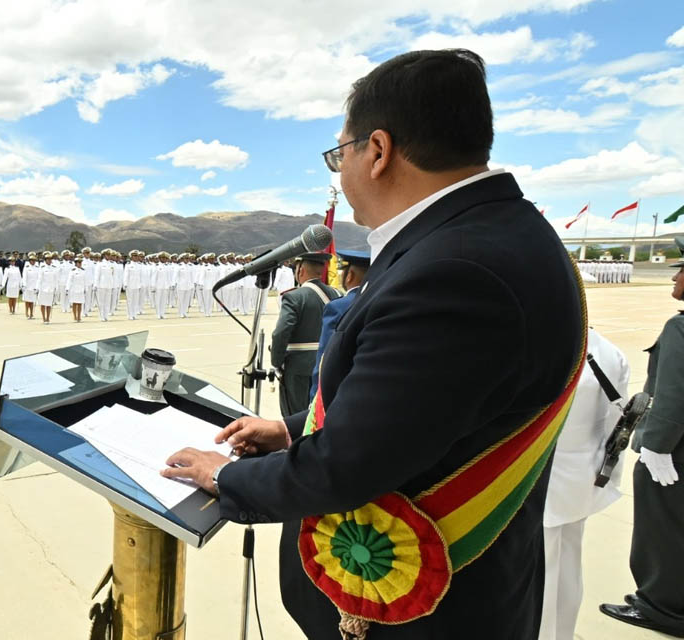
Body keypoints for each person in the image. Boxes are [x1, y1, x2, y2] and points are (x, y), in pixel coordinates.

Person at [162, 49, 583, 639]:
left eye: (340, 153)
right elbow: (420, 410)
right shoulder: (499, 234)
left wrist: (223, 477)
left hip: (421, 615)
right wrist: (291, 428)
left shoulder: (455, 271)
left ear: (378, 152)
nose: (340, 172)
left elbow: (348, 466)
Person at [600, 237, 684, 637]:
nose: (677, 278)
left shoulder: (680, 326)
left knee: (663, 529)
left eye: (681, 270)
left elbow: (673, 394)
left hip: (674, 452)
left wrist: (657, 447)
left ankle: (662, 606)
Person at [535, 328, 627, 640]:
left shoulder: (550, 347)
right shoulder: (610, 350)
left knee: (540, 575)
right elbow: (619, 422)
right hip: (585, 476)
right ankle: (563, 633)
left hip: (545, 481)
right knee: (569, 566)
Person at [270, 252, 341, 417]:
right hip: (328, 363)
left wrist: (276, 362)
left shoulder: (294, 297)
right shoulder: (336, 295)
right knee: (320, 415)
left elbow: (281, 332)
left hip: (298, 366)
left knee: (296, 417)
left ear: (300, 269)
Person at [309, 249, 370, 399]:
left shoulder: (338, 307)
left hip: (337, 395)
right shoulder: (378, 301)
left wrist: (314, 401)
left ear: (349, 276)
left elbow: (325, 361)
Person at [37, 251, 57, 325]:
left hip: (50, 288)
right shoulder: (42, 267)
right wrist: (37, 288)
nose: (49, 260)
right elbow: (39, 278)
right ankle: (43, 318)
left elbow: (55, 279)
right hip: (43, 288)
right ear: (45, 260)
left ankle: (48, 318)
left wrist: (56, 288)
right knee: (43, 304)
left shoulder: (54, 268)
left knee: (49, 304)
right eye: (48, 259)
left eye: (50, 259)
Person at [67, 255, 86, 322]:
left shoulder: (83, 271)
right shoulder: (72, 271)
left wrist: (85, 288)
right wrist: (67, 288)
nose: (80, 264)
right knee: (74, 303)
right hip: (74, 289)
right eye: (78, 262)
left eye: (80, 262)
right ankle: (75, 316)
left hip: (81, 289)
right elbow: (69, 280)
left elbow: (85, 280)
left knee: (80, 303)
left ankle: (79, 316)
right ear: (76, 263)